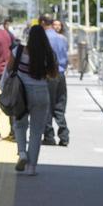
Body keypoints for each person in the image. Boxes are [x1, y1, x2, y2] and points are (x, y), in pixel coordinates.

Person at [7, 25, 57, 176]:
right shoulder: (49, 54)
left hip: (21, 93)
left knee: (20, 125)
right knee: (36, 131)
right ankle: (31, 168)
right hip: (41, 93)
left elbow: (9, 69)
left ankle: (22, 153)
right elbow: (53, 74)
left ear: (29, 37)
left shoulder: (19, 51)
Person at [42, 17, 70, 147]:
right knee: (60, 106)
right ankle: (64, 136)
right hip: (61, 75)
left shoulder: (44, 38)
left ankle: (49, 137)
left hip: (48, 75)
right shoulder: (63, 39)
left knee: (47, 106)